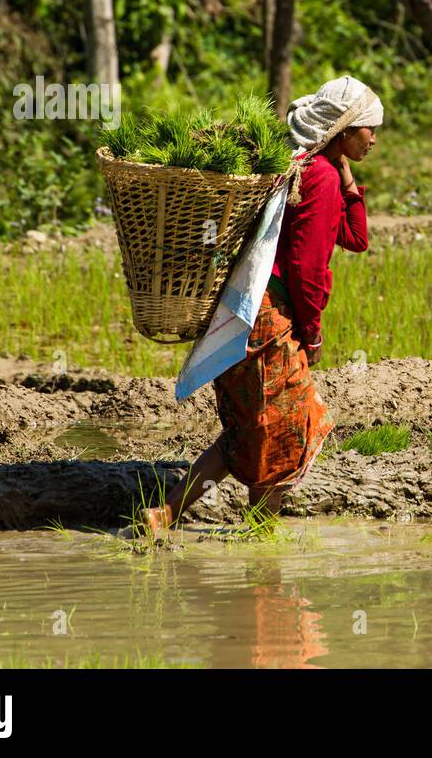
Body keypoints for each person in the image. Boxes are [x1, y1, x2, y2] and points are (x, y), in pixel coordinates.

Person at [141, 76, 381, 533]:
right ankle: (260, 534)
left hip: (239, 310)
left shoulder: (304, 169)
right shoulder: (320, 176)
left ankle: (165, 514)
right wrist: (311, 333)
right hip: (270, 318)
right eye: (368, 128)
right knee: (289, 428)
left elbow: (355, 239)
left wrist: (351, 186)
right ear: (344, 131)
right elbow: (306, 269)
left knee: (248, 431)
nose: (373, 139)